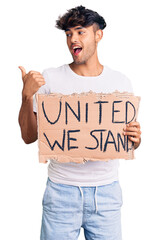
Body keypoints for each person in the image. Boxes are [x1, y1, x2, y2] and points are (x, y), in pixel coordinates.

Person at [18, 5, 141, 240]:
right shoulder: (50, 78)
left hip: (106, 195)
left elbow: (127, 140)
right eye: (68, 34)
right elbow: (28, 136)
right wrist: (26, 96)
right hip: (60, 193)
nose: (72, 39)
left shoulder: (120, 82)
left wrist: (136, 139)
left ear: (98, 35)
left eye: (80, 32)